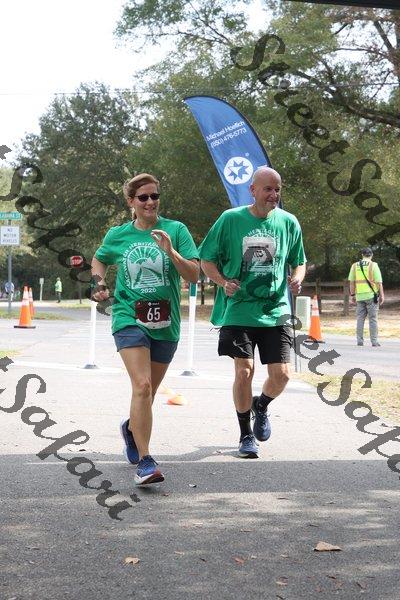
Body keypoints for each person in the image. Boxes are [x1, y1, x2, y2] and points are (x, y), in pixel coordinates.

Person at [91, 173, 199, 485]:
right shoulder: (119, 235)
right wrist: (99, 283)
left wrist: (171, 252)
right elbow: (98, 260)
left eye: (154, 196)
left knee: (146, 394)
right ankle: (146, 461)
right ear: (131, 202)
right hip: (128, 317)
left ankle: (130, 428)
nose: (150, 202)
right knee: (142, 386)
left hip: (166, 322)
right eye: (143, 197)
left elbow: (194, 275)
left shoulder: (176, 230)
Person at [199, 166, 306, 459]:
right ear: (253, 190)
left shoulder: (288, 222)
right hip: (239, 309)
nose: (273, 195)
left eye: (277, 189)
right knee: (244, 370)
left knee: (282, 376)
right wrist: (223, 282)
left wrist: (297, 278)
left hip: (275, 310)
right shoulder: (230, 219)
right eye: (268, 189)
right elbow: (206, 259)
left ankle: (261, 405)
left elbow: (299, 261)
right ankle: (246, 434)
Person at [348, 247, 384, 347]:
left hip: (359, 296)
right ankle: (374, 341)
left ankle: (359, 340)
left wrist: (353, 295)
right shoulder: (373, 265)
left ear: (362, 255)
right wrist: (382, 295)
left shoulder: (354, 266)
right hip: (371, 296)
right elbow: (379, 283)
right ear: (371, 255)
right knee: (373, 319)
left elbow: (351, 282)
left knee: (360, 318)